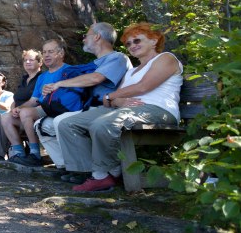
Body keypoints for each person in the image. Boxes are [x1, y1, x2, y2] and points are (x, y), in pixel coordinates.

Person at [60, 23, 183, 192]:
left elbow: (143, 87)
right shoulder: (132, 72)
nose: (132, 46)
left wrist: (111, 97)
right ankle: (92, 172)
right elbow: (112, 100)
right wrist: (115, 99)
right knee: (68, 124)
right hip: (125, 110)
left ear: (154, 41)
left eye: (137, 40)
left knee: (102, 124)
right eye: (128, 44)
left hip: (158, 110)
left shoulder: (166, 58)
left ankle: (104, 174)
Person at [36, 22, 132, 178]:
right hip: (89, 107)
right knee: (42, 125)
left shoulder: (118, 58)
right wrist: (54, 88)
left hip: (108, 108)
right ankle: (67, 165)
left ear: (97, 36)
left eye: (85, 36)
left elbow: (96, 78)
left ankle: (87, 171)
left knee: (61, 122)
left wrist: (59, 84)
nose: (83, 39)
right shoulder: (94, 63)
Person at [0, 39, 82, 167]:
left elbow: (78, 93)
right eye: (44, 52)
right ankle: (18, 153)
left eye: (51, 52)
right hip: (45, 109)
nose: (46, 55)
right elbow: (34, 100)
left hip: (63, 109)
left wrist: (57, 88)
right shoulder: (42, 77)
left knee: (26, 112)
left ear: (61, 54)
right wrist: (18, 108)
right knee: (6, 117)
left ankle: (35, 154)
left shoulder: (71, 70)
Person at [0, 50, 43, 162]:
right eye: (25, 60)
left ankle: (25, 153)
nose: (27, 62)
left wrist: (18, 109)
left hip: (32, 115)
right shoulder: (25, 79)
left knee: (2, 119)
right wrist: (13, 108)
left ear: (40, 63)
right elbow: (16, 99)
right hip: (19, 114)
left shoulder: (42, 78)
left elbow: (35, 100)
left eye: (31, 60)